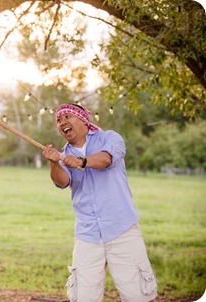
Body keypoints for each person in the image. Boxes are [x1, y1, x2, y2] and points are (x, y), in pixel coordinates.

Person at [42, 103, 157, 302]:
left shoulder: (110, 138)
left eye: (67, 117)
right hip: (87, 234)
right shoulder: (64, 156)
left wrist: (81, 161)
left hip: (122, 229)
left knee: (138, 295)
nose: (62, 123)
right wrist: (54, 163)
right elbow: (62, 182)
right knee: (83, 297)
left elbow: (106, 160)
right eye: (59, 120)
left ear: (83, 119)